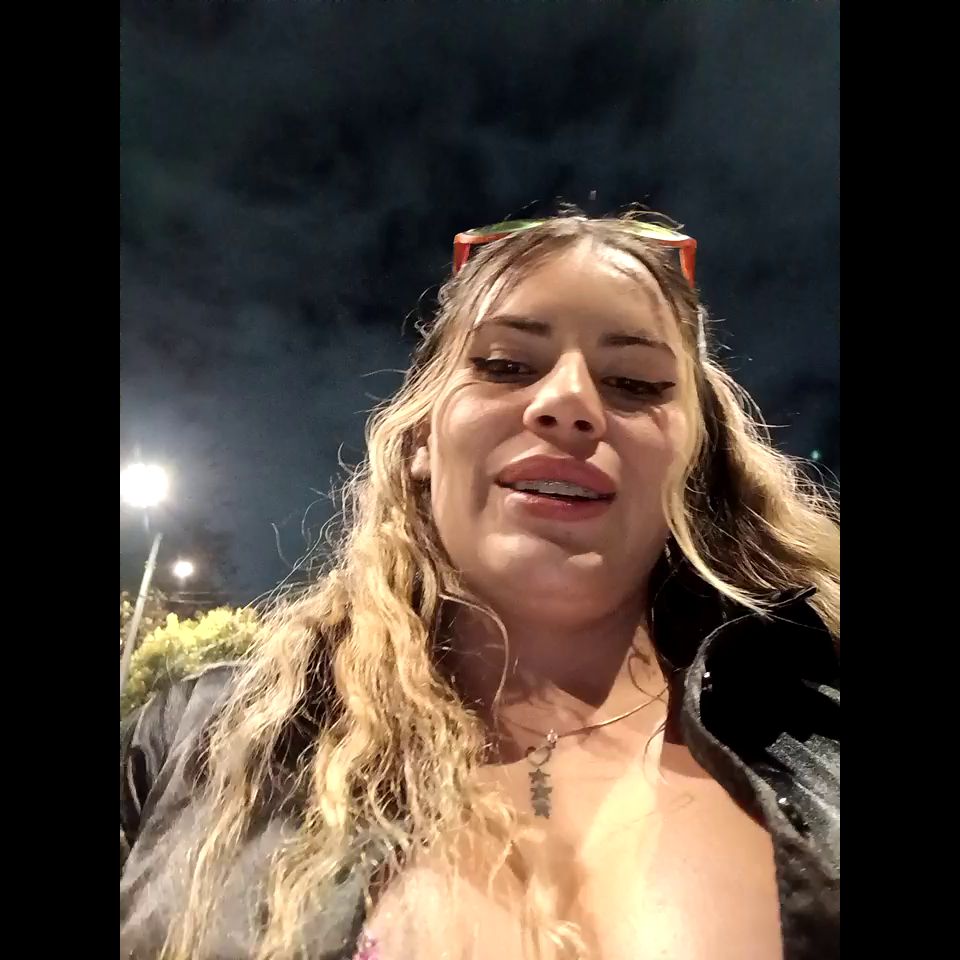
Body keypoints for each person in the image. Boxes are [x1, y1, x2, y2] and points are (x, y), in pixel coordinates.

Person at [120, 213, 839, 960]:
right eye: (505, 364)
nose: (570, 402)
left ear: (694, 459)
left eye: (634, 382)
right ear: (422, 438)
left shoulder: (823, 743)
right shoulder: (193, 743)